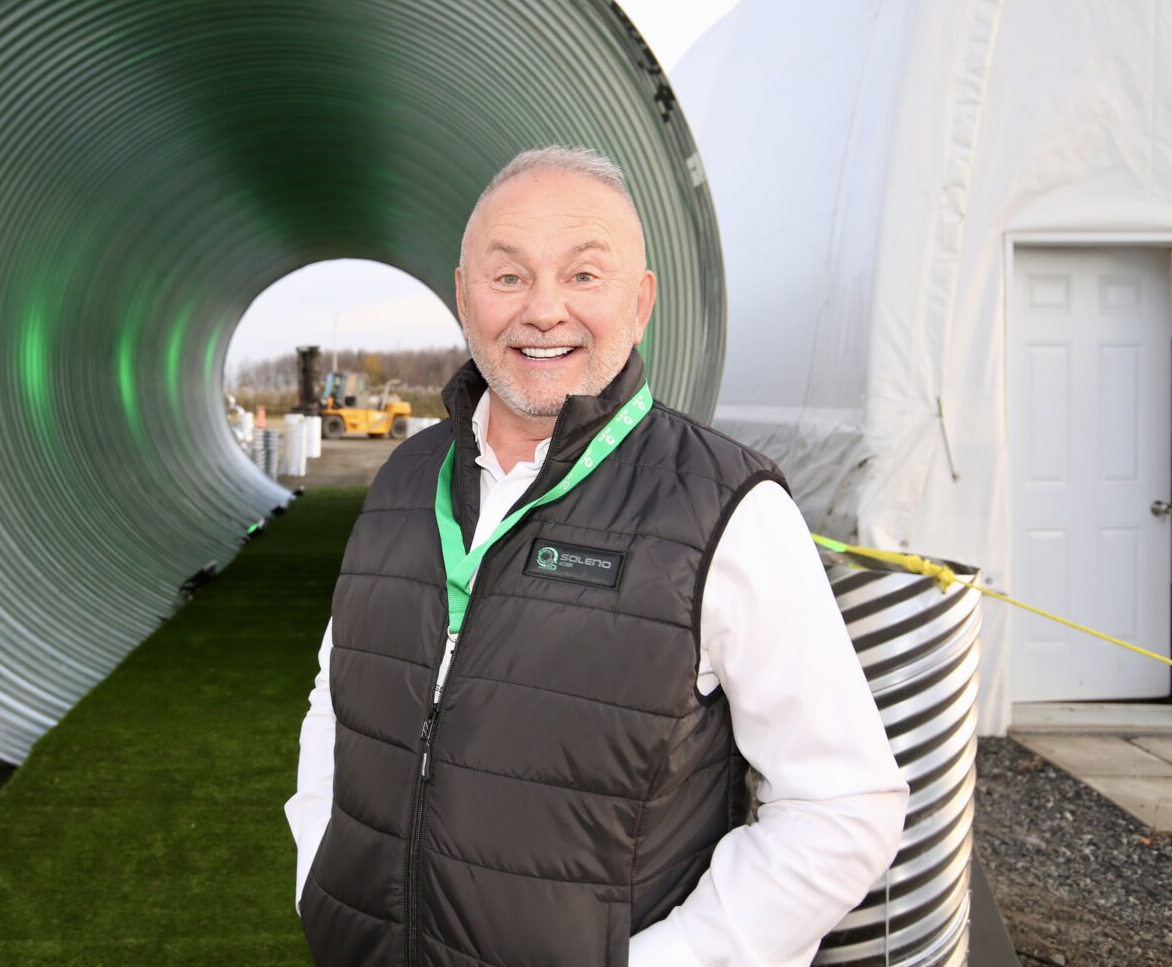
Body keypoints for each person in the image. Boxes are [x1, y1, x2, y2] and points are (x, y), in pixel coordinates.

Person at [285, 145, 908, 966]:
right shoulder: (406, 478)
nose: (545, 311)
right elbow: (342, 697)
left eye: (583, 275)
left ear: (640, 301)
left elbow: (841, 805)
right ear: (466, 297)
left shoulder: (723, 506)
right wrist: (316, 872)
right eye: (508, 277)